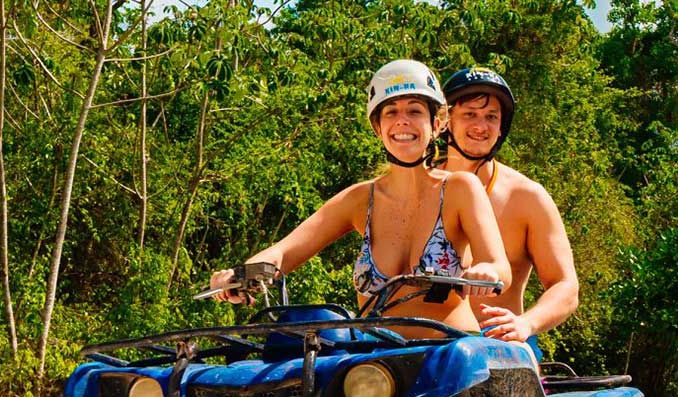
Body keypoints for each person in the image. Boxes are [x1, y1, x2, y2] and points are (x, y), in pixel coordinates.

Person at [205, 59, 509, 338]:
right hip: (374, 370)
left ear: (436, 124)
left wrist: (488, 272)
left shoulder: (460, 188)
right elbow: (284, 253)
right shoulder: (360, 199)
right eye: (391, 112)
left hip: (451, 357)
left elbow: (499, 266)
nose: (402, 121)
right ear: (378, 127)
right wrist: (241, 274)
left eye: (415, 110)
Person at [438, 67, 578, 358]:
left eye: (491, 117)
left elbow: (565, 286)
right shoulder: (418, 188)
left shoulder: (526, 197)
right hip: (422, 343)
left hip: (500, 347)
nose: (481, 125)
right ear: (445, 120)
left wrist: (526, 323)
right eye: (469, 114)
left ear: (502, 127)